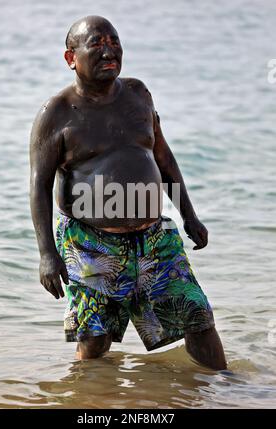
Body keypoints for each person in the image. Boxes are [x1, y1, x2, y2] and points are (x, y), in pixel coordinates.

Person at [30, 15, 227, 370]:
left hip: (155, 236)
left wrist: (189, 214)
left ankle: (228, 391)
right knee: (94, 338)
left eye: (114, 42)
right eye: (97, 43)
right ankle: (92, 401)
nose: (109, 51)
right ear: (70, 58)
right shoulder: (56, 113)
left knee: (196, 316)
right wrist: (46, 253)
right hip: (90, 242)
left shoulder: (138, 93)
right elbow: (39, 185)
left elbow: (163, 156)